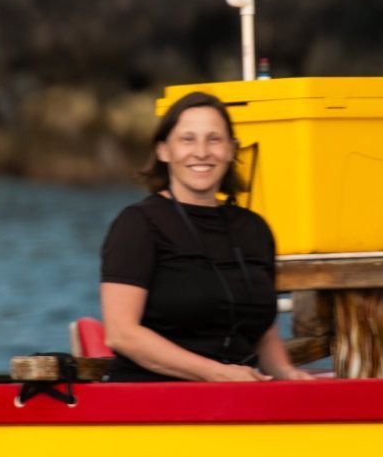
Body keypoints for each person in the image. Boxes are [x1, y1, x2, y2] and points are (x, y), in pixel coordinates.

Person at [100, 91, 314, 382]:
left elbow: (262, 329)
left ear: (231, 149)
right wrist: (216, 374)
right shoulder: (137, 224)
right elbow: (121, 334)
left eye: (214, 139)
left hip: (237, 396)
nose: (202, 152)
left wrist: (286, 373)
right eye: (187, 139)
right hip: (152, 400)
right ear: (163, 151)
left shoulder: (254, 229)